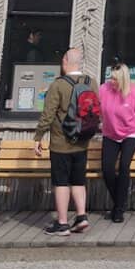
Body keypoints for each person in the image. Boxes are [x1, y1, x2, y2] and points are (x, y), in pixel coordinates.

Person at [34, 47, 100, 237]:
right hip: (82, 141)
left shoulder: (58, 85)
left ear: (65, 61)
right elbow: (97, 110)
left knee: (61, 182)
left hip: (61, 142)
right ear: (79, 63)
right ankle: (81, 217)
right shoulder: (91, 82)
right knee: (78, 180)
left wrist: (38, 137)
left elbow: (48, 115)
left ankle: (62, 223)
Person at [98, 62, 135, 223]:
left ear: (123, 79)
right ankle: (120, 202)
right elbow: (95, 109)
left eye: (115, 79)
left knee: (123, 166)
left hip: (130, 134)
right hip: (110, 134)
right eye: (111, 78)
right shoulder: (103, 90)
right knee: (107, 169)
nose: (111, 81)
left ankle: (118, 210)